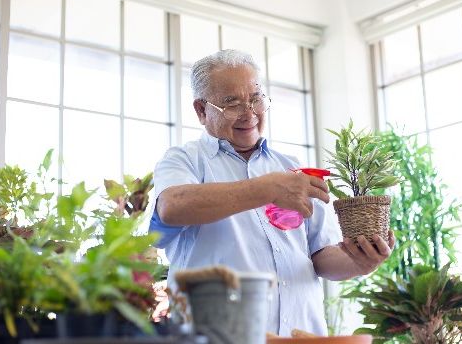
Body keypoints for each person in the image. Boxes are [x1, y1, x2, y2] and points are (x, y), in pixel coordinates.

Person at [149, 49, 395, 336]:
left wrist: (358, 261)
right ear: (202, 111)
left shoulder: (290, 167)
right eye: (232, 104)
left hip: (301, 336)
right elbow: (172, 207)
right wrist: (267, 189)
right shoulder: (184, 160)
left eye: (255, 99)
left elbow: (321, 255)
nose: (249, 113)